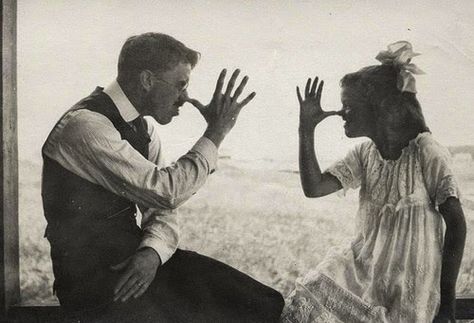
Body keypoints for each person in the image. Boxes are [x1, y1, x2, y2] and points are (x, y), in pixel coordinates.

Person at [41, 32, 283, 322]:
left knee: (265, 303)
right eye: (181, 85)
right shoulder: (85, 126)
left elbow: (163, 206)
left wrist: (153, 252)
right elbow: (165, 190)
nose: (186, 98)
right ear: (147, 80)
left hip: (139, 266)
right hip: (96, 286)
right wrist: (216, 132)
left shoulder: (144, 130)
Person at [281, 41, 466, 322]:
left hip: (409, 285)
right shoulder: (364, 154)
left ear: (379, 109)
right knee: (309, 298)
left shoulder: (426, 151)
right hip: (365, 272)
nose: (341, 113)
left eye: (349, 106)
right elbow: (313, 188)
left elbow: (456, 225)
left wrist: (447, 304)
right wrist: (306, 130)